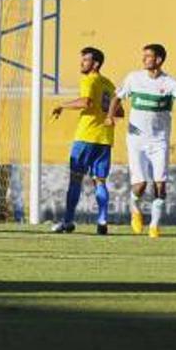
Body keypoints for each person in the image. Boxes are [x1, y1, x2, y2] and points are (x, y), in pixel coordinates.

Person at [108, 44, 176, 237]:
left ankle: (154, 225)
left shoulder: (170, 82)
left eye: (148, 56)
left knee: (160, 184)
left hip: (159, 141)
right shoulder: (133, 78)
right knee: (141, 184)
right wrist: (110, 116)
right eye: (144, 56)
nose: (144, 59)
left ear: (158, 60)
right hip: (136, 140)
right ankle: (134, 206)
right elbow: (116, 98)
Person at [49, 46, 114, 234]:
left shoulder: (89, 80)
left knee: (75, 180)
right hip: (104, 138)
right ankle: (102, 220)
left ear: (96, 64)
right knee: (100, 181)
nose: (82, 63)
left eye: (86, 60)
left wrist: (62, 105)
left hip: (86, 136)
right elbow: (118, 111)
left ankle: (68, 222)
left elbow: (86, 102)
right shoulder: (108, 84)